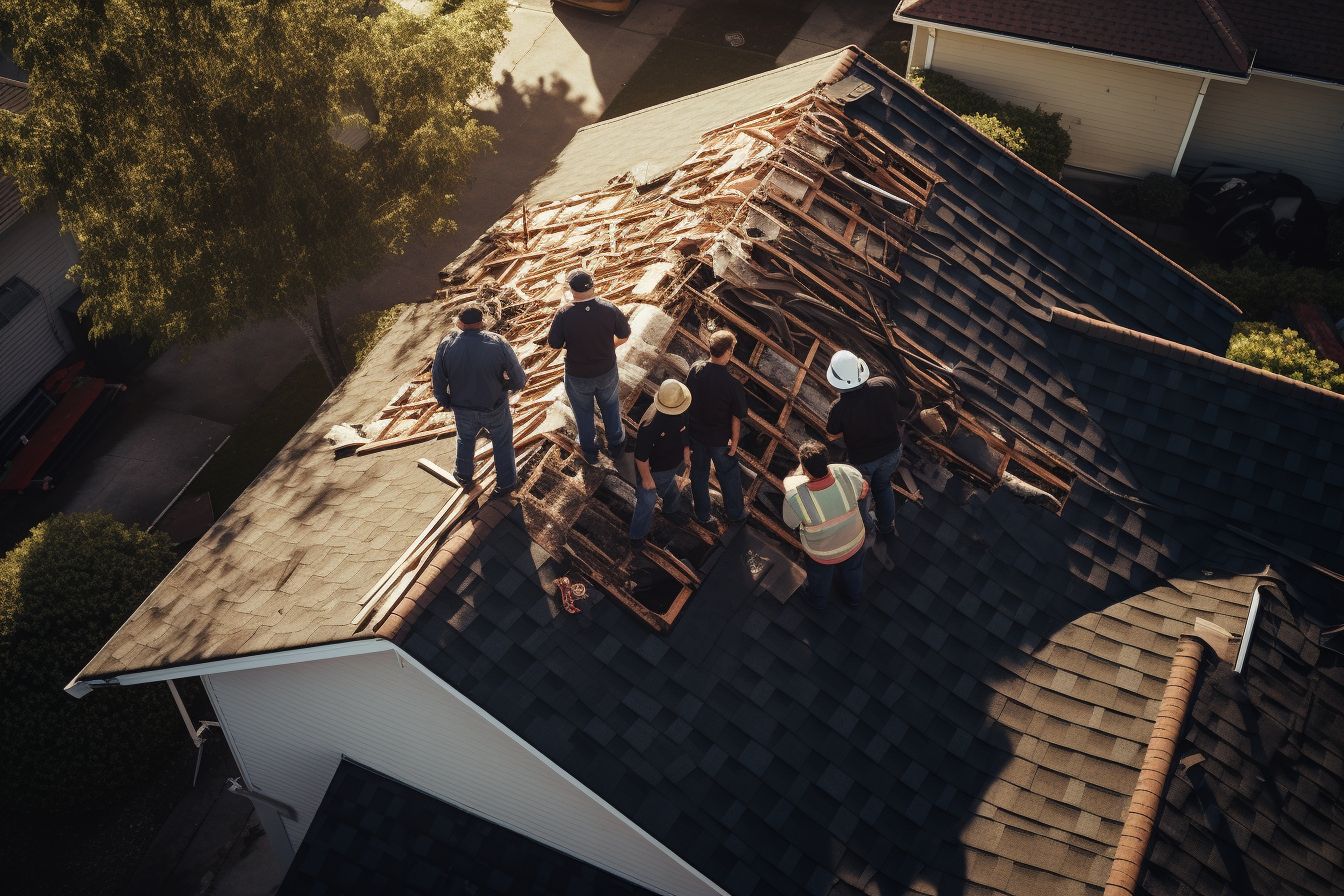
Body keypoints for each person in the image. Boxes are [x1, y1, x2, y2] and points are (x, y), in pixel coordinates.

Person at [431, 302, 528, 498]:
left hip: (462, 407)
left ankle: (463, 475)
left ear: (459, 323)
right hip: (494, 407)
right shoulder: (498, 342)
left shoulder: (447, 344)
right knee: (502, 443)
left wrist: (445, 401)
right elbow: (519, 379)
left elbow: (438, 378)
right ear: (482, 322)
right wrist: (505, 388)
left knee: (465, 439)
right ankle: (506, 484)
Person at [824, 350, 917, 544]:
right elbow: (907, 402)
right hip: (892, 451)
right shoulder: (884, 384)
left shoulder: (839, 408)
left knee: (861, 498)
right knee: (883, 487)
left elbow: (832, 435)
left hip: (864, 461)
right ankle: (887, 527)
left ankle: (867, 529)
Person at [547, 268, 631, 465]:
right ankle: (616, 445)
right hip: (606, 371)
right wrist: (609, 347)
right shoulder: (609, 308)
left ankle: (590, 451)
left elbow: (554, 344)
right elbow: (625, 334)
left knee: (582, 412)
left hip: (577, 375)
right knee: (611, 407)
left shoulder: (564, 314)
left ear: (570, 289)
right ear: (593, 286)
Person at [782, 440, 870, 610]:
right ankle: (853, 598)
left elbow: (790, 523)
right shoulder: (847, 473)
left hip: (822, 553)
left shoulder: (795, 497)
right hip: (854, 540)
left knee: (820, 577)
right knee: (853, 571)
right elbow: (862, 490)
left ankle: (818, 602)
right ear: (826, 459)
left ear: (804, 469)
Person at [685, 329, 747, 526]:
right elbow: (737, 416)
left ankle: (703, 515)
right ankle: (735, 514)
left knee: (699, 473)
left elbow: (687, 401)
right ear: (728, 351)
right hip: (720, 441)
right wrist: (735, 443)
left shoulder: (696, 369)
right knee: (729, 474)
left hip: (696, 436)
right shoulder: (732, 384)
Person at [629, 379, 692, 549]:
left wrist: (686, 450)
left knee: (671, 489)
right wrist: (647, 478)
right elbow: (641, 456)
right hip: (653, 469)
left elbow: (686, 428)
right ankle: (636, 537)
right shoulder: (650, 425)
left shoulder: (683, 409)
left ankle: (670, 511)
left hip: (671, 465)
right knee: (647, 502)